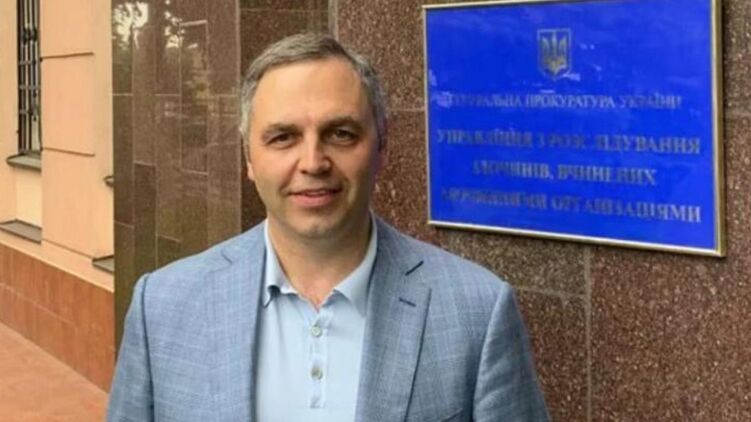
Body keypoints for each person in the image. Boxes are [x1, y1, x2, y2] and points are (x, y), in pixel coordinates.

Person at [107, 33, 549, 422]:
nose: (313, 163)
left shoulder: (477, 311)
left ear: (382, 148)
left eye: (340, 134)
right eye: (283, 137)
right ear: (249, 158)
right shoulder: (162, 306)